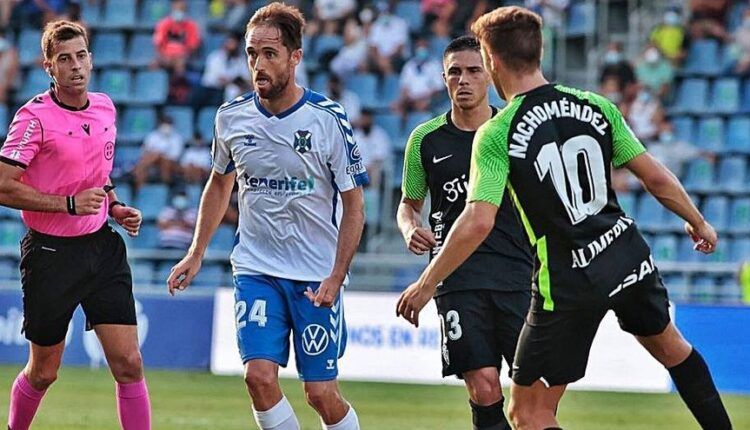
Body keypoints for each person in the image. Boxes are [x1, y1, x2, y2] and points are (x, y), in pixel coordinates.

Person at [396, 7, 732, 430]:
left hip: (569, 278)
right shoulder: (594, 105)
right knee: (673, 349)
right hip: (626, 254)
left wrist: (426, 283)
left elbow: (478, 220)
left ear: (492, 61)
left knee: (527, 413)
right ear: (539, 53)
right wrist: (698, 222)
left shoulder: (498, 132)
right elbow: (654, 176)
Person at [166, 4, 367, 430]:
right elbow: (219, 184)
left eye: (270, 53)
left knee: (320, 395)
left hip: (315, 273)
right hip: (257, 266)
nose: (258, 64)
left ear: (295, 57)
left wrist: (336, 274)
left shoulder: (328, 119)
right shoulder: (231, 117)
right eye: (251, 53)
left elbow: (354, 204)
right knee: (258, 377)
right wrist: (196, 252)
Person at [0, 20, 150, 430]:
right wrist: (67, 204)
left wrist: (115, 207)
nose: (76, 66)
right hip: (51, 254)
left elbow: (98, 176)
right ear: (49, 66)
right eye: (64, 59)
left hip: (102, 248)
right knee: (44, 371)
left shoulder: (105, 107)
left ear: (91, 58)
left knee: (129, 364)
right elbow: (3, 185)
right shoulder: (33, 117)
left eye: (81, 55)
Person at [397, 35, 532, 430]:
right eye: (455, 72)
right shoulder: (425, 140)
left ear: (489, 74)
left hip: (519, 275)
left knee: (532, 395)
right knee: (484, 386)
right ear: (443, 78)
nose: (464, 80)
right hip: (456, 278)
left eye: (474, 71)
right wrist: (409, 228)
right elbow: (409, 203)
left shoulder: (514, 132)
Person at [392, 36, 444, 119]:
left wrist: (422, 97)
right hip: (411, 99)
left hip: (428, 99)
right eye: (419, 46)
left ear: (428, 48)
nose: (422, 49)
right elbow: (404, 86)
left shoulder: (435, 65)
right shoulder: (409, 65)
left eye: (424, 46)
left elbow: (438, 88)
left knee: (421, 106)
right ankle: (401, 129)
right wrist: (407, 98)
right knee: (396, 106)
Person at [132, 114, 185, 189]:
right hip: (152, 162)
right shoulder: (153, 136)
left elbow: (175, 156)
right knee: (147, 164)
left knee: (160, 159)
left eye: (168, 124)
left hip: (170, 163)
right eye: (165, 124)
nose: (166, 127)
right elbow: (144, 151)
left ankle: (165, 187)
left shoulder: (177, 138)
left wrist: (160, 154)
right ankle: (140, 191)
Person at [153, 0, 201, 75]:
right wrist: (165, 55)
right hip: (166, 55)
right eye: (177, 8)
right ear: (173, 7)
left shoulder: (191, 25)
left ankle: (179, 83)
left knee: (180, 64)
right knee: (154, 64)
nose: (179, 10)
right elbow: (158, 43)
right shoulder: (164, 23)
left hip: (183, 56)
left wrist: (182, 54)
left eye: (182, 8)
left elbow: (192, 46)